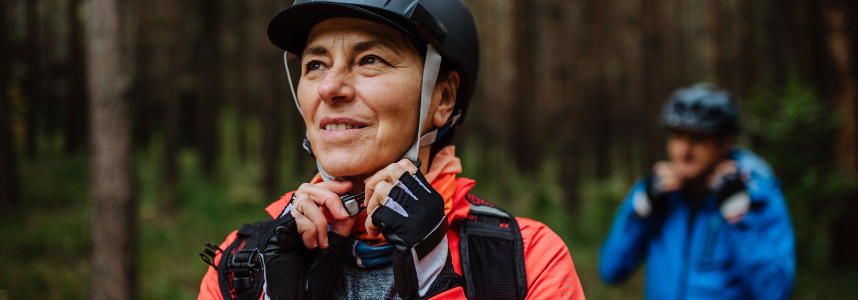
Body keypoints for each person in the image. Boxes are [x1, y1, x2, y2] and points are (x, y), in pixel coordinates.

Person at [197, 1, 585, 299]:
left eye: (370, 60)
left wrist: (436, 275)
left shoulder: (527, 259)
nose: (330, 88)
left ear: (443, 98)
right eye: (315, 64)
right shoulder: (243, 261)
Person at [599, 83, 795, 299]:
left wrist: (739, 217)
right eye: (677, 136)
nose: (684, 149)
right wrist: (641, 209)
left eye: (698, 138)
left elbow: (776, 292)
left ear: (725, 143)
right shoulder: (656, 192)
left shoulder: (757, 195)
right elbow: (611, 270)